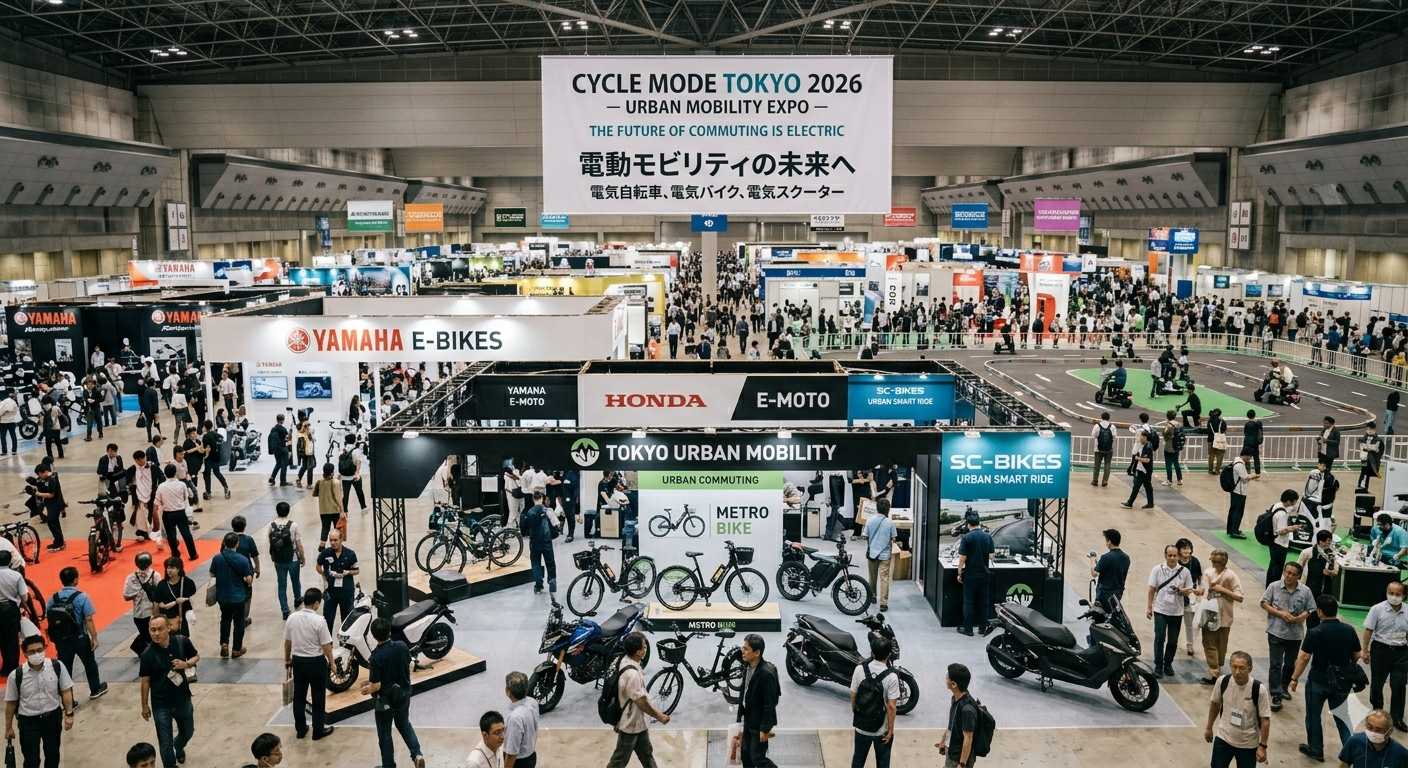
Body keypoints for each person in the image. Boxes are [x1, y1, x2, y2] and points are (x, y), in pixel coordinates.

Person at [1290, 594, 1361, 762]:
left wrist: (1294, 678)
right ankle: (1351, 752)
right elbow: (1357, 654)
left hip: (1318, 680)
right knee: (1342, 717)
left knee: (1314, 716)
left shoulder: (1315, 632)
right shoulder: (1349, 630)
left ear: (1320, 612)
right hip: (1341, 682)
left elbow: (1304, 657)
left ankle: (1316, 749)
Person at [4, 634, 74, 768]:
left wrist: (69, 714)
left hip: (52, 718)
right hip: (28, 722)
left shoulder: (57, 666)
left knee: (53, 756)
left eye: (39, 650)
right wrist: (8, 728)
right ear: (25, 654)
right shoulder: (16, 675)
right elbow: (11, 704)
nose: (36, 654)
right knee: (31, 761)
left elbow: (66, 691)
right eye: (31, 652)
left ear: (45, 649)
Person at [139, 615, 199, 768]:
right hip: (161, 705)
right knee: (165, 743)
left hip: (182, 699)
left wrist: (186, 664)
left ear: (168, 628)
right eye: (153, 630)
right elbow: (145, 681)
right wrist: (145, 705)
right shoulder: (147, 654)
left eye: (160, 629)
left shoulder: (181, 641)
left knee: (188, 732)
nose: (156, 633)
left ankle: (178, 746)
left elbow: (196, 656)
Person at [363, 617, 423, 766]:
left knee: (385, 734)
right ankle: (417, 754)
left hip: (386, 701)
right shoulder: (402, 646)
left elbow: (376, 685)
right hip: (404, 694)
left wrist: (366, 689)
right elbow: (407, 662)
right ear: (389, 632)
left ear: (374, 636)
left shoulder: (376, 657)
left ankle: (388, 765)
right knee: (404, 725)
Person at [606, 631, 669, 768]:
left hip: (638, 723)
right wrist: (659, 716)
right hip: (629, 724)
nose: (646, 649)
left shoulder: (624, 660)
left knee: (646, 753)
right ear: (638, 652)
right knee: (619, 760)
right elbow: (640, 701)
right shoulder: (632, 674)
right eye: (644, 647)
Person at [46, 567, 107, 701]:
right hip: (80, 638)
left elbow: (49, 618)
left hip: (62, 641)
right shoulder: (82, 597)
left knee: (65, 670)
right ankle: (95, 689)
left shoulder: (53, 598)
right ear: (75, 580)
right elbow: (88, 619)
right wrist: (94, 637)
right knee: (89, 663)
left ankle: (68, 700)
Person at [1261, 561, 1315, 712]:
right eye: (1287, 572)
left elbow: (1310, 609)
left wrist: (1300, 618)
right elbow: (1264, 603)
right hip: (1275, 632)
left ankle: (1284, 687)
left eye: (1293, 574)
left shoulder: (1305, 591)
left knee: (1290, 664)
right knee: (1275, 664)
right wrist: (1279, 613)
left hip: (1295, 635)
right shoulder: (1274, 587)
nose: (1289, 576)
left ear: (1299, 576)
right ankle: (1276, 694)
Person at [1204, 651, 1271, 768]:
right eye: (1234, 667)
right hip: (1224, 738)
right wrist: (1209, 728)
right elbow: (1215, 704)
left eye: (1242, 668)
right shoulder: (1222, 682)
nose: (1237, 672)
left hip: (1248, 744)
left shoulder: (1258, 690)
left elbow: (1265, 719)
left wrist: (1263, 746)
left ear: (1250, 669)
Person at [285, 587, 334, 741]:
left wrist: (287, 660)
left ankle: (300, 729)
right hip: (316, 662)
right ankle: (318, 730)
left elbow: (287, 642)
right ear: (317, 604)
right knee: (318, 697)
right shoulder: (319, 621)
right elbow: (326, 645)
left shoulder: (292, 618)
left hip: (298, 661)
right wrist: (332, 662)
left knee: (299, 696)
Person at [1363, 582, 1408, 733]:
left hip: (1401, 651)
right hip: (1381, 649)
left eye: (1397, 594)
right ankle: (1377, 713)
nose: (1394, 596)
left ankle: (1397, 718)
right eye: (1391, 593)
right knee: (1377, 683)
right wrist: (1365, 650)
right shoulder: (1377, 609)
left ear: (1403, 596)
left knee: (1399, 684)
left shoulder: (1407, 610)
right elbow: (1368, 630)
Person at [851, 635, 901, 768]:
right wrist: (890, 730)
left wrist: (857, 713)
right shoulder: (891, 677)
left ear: (871, 652)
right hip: (881, 729)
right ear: (889, 654)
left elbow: (853, 695)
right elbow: (891, 706)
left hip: (861, 727)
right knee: (883, 762)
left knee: (858, 760)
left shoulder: (860, 669)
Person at [1147, 544, 1196, 679]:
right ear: (1165, 556)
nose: (1173, 558)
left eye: (1175, 556)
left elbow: (1189, 590)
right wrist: (1149, 607)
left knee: (1173, 641)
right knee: (1160, 637)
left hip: (1177, 611)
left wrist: (1183, 591)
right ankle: (1158, 665)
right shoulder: (1157, 570)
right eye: (1170, 555)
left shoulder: (1185, 572)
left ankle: (1168, 663)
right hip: (1160, 609)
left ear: (1179, 557)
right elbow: (1151, 589)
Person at [735, 634, 780, 768]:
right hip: (748, 719)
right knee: (746, 756)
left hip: (759, 723)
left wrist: (765, 729)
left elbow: (769, 704)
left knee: (757, 758)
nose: (742, 651)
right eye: (742, 648)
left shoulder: (766, 675)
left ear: (757, 653)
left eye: (746, 649)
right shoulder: (747, 667)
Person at [210, 531, 254, 659]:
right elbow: (249, 579)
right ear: (237, 544)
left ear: (224, 542)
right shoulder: (242, 559)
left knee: (225, 619)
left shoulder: (217, 558)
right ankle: (236, 649)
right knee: (239, 622)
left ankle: (224, 644)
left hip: (222, 596)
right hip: (238, 596)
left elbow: (212, 574)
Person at [957, 509, 994, 636]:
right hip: (984, 574)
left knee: (968, 602)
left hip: (970, 575)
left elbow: (963, 557)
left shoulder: (966, 538)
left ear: (968, 525)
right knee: (984, 602)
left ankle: (968, 629)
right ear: (979, 522)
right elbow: (991, 556)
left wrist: (959, 571)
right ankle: (982, 628)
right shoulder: (987, 537)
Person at [936, 663, 979, 768]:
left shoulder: (967, 710)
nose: (946, 679)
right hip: (952, 751)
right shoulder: (955, 699)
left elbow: (968, 738)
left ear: (954, 684)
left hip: (958, 758)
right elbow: (952, 723)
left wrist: (962, 764)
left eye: (947, 677)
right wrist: (943, 739)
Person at [268, 502, 305, 620]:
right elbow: (298, 543)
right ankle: (297, 598)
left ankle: (285, 610)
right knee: (295, 580)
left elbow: (271, 542)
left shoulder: (271, 525)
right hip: (292, 558)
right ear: (288, 511)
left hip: (279, 559)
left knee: (281, 585)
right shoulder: (293, 525)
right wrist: (302, 557)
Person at [317, 528, 358, 632]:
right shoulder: (326, 553)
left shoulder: (350, 554)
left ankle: (346, 644)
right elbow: (318, 565)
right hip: (331, 592)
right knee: (328, 619)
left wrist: (348, 572)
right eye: (331, 540)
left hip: (346, 591)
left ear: (341, 539)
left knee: (347, 619)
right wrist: (324, 575)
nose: (333, 543)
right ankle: (328, 644)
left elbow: (356, 570)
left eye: (335, 540)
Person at [862, 497, 898, 612]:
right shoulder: (890, 523)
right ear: (888, 510)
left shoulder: (870, 520)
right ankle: (883, 603)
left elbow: (864, 536)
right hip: (885, 554)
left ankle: (872, 596)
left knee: (872, 577)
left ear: (877, 508)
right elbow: (893, 538)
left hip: (872, 553)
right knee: (884, 578)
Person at [1338, 709, 1408, 767]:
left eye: (1378, 730)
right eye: (1370, 727)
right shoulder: (1354, 742)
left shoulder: (1401, 754)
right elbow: (1344, 764)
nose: (1373, 732)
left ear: (1389, 732)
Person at [156, 464, 198, 561]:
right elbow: (185, 497)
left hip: (168, 514)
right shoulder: (182, 484)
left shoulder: (161, 487)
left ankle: (175, 555)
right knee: (186, 533)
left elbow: (158, 502)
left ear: (165, 474)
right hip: (180, 512)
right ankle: (193, 554)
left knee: (171, 535)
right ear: (175, 473)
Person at [519, 490, 558, 595]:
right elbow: (556, 523)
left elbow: (524, 528)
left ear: (533, 499)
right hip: (546, 541)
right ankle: (552, 583)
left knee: (536, 563)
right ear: (541, 499)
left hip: (534, 541)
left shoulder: (529, 512)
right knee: (550, 562)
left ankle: (538, 586)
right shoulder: (547, 510)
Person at [122, 551, 159, 658]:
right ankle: (140, 648)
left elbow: (160, 593)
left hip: (150, 612)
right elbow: (126, 595)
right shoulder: (132, 578)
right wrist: (140, 591)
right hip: (139, 613)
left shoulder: (154, 576)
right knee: (145, 634)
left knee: (151, 635)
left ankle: (150, 655)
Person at [151, 557, 196, 637]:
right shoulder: (162, 584)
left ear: (179, 569)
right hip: (166, 619)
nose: (169, 570)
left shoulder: (186, 582)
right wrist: (156, 618)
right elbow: (156, 602)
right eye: (168, 568)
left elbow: (191, 592)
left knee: (182, 640)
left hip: (181, 618)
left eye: (172, 568)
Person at [1177, 538, 1206, 658]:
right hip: (1177, 595)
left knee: (1190, 622)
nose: (1187, 551)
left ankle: (1190, 644)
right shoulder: (1175, 562)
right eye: (1184, 548)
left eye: (1188, 548)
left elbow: (1199, 578)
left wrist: (1200, 588)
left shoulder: (1194, 562)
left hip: (1191, 595)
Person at [1266, 489, 1302, 586]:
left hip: (1273, 540)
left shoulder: (1276, 505)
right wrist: (1293, 528)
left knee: (1273, 565)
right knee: (1277, 568)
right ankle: (1274, 586)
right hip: (1279, 543)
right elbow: (1281, 531)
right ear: (1289, 501)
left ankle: (1269, 585)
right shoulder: (1282, 514)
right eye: (1294, 501)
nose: (1295, 503)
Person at [503, 671, 538, 768]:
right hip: (531, 756)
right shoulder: (533, 703)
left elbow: (511, 753)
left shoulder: (515, 718)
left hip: (519, 763)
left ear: (508, 692)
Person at [1090, 528, 1130, 607]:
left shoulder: (1106, 557)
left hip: (1104, 594)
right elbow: (1113, 569)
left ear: (1109, 542)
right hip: (1117, 595)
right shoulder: (1126, 558)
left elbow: (1094, 574)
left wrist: (1092, 560)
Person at [128, 450, 161, 543]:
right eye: (138, 460)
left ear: (145, 458)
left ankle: (153, 531)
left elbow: (161, 477)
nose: (140, 462)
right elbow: (127, 479)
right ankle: (141, 532)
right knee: (141, 514)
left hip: (152, 493)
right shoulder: (133, 469)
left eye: (142, 459)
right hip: (139, 494)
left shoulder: (153, 467)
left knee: (152, 512)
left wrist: (160, 489)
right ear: (135, 460)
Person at [32, 464, 64, 553]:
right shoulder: (45, 480)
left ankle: (59, 542)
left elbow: (51, 494)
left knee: (51, 522)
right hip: (50, 504)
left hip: (55, 503)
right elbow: (42, 488)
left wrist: (38, 494)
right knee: (55, 522)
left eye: (39, 474)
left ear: (44, 472)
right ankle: (59, 540)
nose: (39, 476)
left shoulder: (52, 480)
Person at [1120, 429, 1155, 509]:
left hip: (1145, 471)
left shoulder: (1148, 446)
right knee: (1143, 486)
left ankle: (1131, 503)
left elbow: (1147, 460)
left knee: (1141, 487)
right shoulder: (1141, 445)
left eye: (1142, 436)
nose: (1140, 438)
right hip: (1141, 469)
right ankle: (1148, 503)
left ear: (1146, 438)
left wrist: (1138, 458)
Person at [200, 421, 230, 500]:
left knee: (207, 474)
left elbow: (207, 448)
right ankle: (226, 487)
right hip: (216, 457)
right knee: (217, 472)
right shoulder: (217, 435)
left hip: (209, 458)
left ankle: (208, 491)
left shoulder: (205, 437)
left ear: (205, 427)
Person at [337, 439, 367, 513]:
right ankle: (363, 507)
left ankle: (345, 510)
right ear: (354, 441)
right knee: (359, 491)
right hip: (354, 476)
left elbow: (340, 463)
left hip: (344, 476)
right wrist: (357, 472)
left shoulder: (342, 451)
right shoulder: (356, 451)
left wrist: (339, 474)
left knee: (346, 494)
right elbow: (358, 462)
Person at [1091, 412, 1116, 487]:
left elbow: (1093, 435)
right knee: (1107, 464)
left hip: (1098, 448)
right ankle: (1105, 481)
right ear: (1109, 418)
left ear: (1101, 417)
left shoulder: (1097, 426)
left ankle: (1095, 480)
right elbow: (1114, 436)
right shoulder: (1112, 427)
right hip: (1109, 449)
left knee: (1097, 465)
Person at [1358, 422, 1384, 494]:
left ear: (1374, 430)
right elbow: (1361, 446)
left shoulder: (1378, 439)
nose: (1370, 431)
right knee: (1364, 472)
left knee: (1367, 473)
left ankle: (1363, 487)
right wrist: (1369, 447)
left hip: (1372, 459)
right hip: (1364, 458)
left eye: (1371, 430)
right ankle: (1362, 486)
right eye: (1368, 429)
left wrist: (1367, 447)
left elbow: (1375, 448)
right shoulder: (1363, 438)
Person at [267, 413, 290, 487]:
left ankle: (272, 477)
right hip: (283, 449)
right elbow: (287, 438)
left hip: (276, 450)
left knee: (278, 464)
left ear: (277, 420)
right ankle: (283, 481)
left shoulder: (273, 429)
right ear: (283, 420)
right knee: (284, 465)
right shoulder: (283, 429)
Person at [294, 420, 316, 489]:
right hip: (308, 453)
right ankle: (309, 483)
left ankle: (299, 478)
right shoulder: (303, 434)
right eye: (307, 426)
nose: (308, 428)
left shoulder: (303, 434)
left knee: (304, 466)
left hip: (305, 453)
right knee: (310, 468)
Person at [1243, 411, 1264, 476]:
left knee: (1245, 457)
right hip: (1255, 442)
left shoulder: (1247, 424)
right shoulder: (1258, 423)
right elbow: (1260, 431)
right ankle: (1257, 472)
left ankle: (1247, 471)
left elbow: (1245, 432)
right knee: (1256, 458)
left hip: (1247, 442)